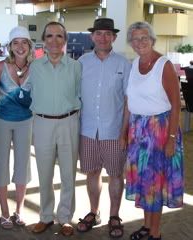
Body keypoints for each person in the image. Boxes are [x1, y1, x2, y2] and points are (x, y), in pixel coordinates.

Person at [124, 21, 184, 240]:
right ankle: (147, 226)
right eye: (135, 39)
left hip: (159, 131)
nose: (140, 42)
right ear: (131, 43)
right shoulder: (134, 64)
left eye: (144, 38)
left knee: (155, 183)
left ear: (152, 39)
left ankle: (155, 233)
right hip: (137, 130)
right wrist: (124, 132)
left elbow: (176, 105)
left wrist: (171, 139)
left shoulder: (164, 65)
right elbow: (129, 99)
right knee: (144, 183)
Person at [77, 18, 131, 238]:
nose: (103, 37)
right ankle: (94, 211)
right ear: (92, 36)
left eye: (108, 34)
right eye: (98, 33)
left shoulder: (123, 63)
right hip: (87, 130)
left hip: (114, 131)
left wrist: (124, 132)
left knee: (116, 174)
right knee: (92, 173)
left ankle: (114, 215)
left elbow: (129, 100)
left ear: (114, 38)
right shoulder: (81, 62)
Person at [29, 21, 81, 236]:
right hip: (42, 123)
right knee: (45, 173)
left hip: (69, 122)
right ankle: (46, 216)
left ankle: (65, 217)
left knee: (68, 173)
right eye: (49, 36)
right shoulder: (34, 67)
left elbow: (79, 93)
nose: (54, 41)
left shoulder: (76, 67)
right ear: (44, 40)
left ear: (65, 40)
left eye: (59, 36)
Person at [0, 26, 33, 229]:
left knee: (23, 165)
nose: (20, 46)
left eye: (24, 42)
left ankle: (19, 210)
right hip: (1, 121)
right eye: (16, 43)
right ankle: (5, 211)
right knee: (1, 164)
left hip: (26, 121)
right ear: (10, 46)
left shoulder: (36, 67)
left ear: (30, 45)